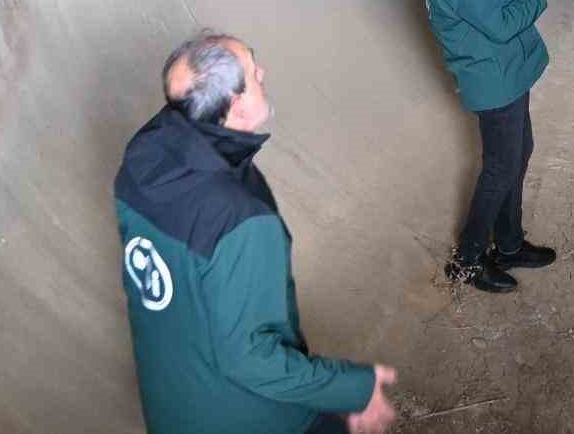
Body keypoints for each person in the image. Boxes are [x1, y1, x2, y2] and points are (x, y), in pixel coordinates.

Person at [114, 32, 397, 434]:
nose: (262, 71)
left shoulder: (142, 162)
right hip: (247, 416)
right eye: (252, 68)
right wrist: (352, 389)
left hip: (173, 407)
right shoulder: (239, 220)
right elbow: (249, 357)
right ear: (235, 104)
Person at [404, 0, 560, 293]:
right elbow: (500, 24)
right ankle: (468, 262)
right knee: (500, 168)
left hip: (504, 71)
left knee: (517, 153)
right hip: (494, 80)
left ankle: (508, 244)